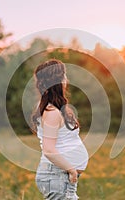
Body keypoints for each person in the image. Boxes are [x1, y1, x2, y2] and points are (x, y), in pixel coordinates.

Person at [32, 59, 89, 200]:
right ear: (59, 81)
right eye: (64, 76)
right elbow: (49, 150)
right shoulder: (51, 112)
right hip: (57, 176)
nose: (66, 80)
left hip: (61, 175)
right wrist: (71, 170)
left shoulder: (56, 109)